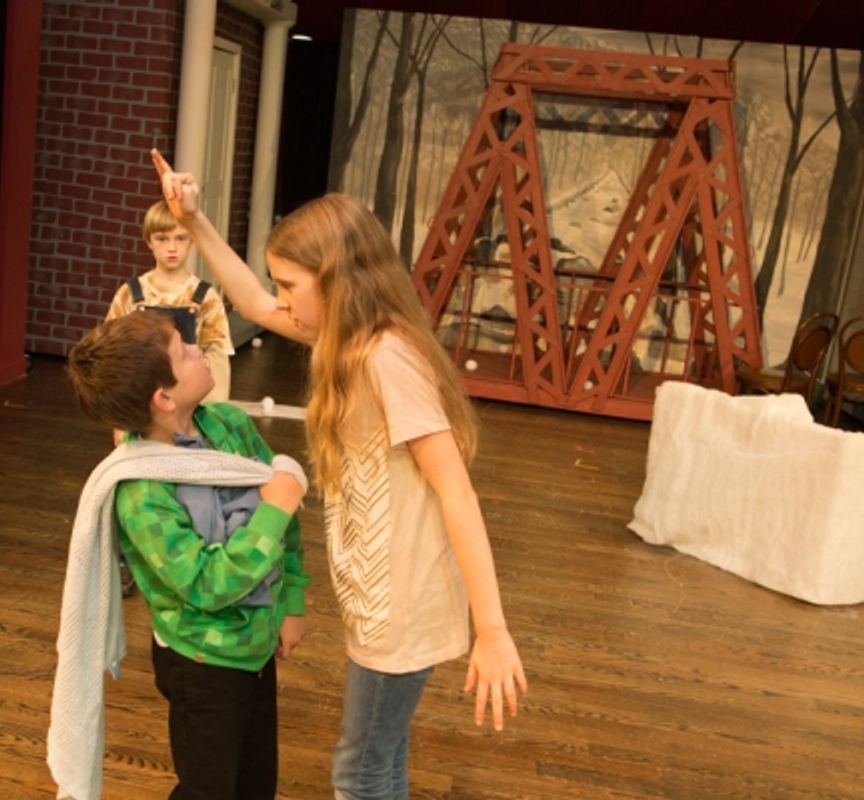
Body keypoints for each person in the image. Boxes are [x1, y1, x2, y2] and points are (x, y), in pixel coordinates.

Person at [152, 148, 528, 799]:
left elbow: (456, 491)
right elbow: (253, 302)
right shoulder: (348, 340)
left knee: (359, 772)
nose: (281, 299)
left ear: (338, 281)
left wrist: (491, 629)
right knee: (381, 760)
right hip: (381, 596)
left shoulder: (388, 359)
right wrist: (196, 221)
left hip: (401, 604)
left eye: (291, 285)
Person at [48, 311, 309, 800]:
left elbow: (286, 520)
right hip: (202, 665)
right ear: (164, 398)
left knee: (256, 784)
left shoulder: (229, 425)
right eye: (182, 350)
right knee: (208, 790)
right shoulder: (144, 495)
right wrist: (273, 511)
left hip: (256, 648)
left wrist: (292, 600)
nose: (196, 347)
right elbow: (207, 584)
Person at [105, 200, 234, 403]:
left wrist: (213, 408)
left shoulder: (205, 297)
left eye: (181, 238)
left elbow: (217, 357)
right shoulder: (130, 293)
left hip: (190, 396)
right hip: (141, 393)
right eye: (162, 239)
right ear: (149, 241)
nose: (172, 248)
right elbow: (111, 348)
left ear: (192, 240)